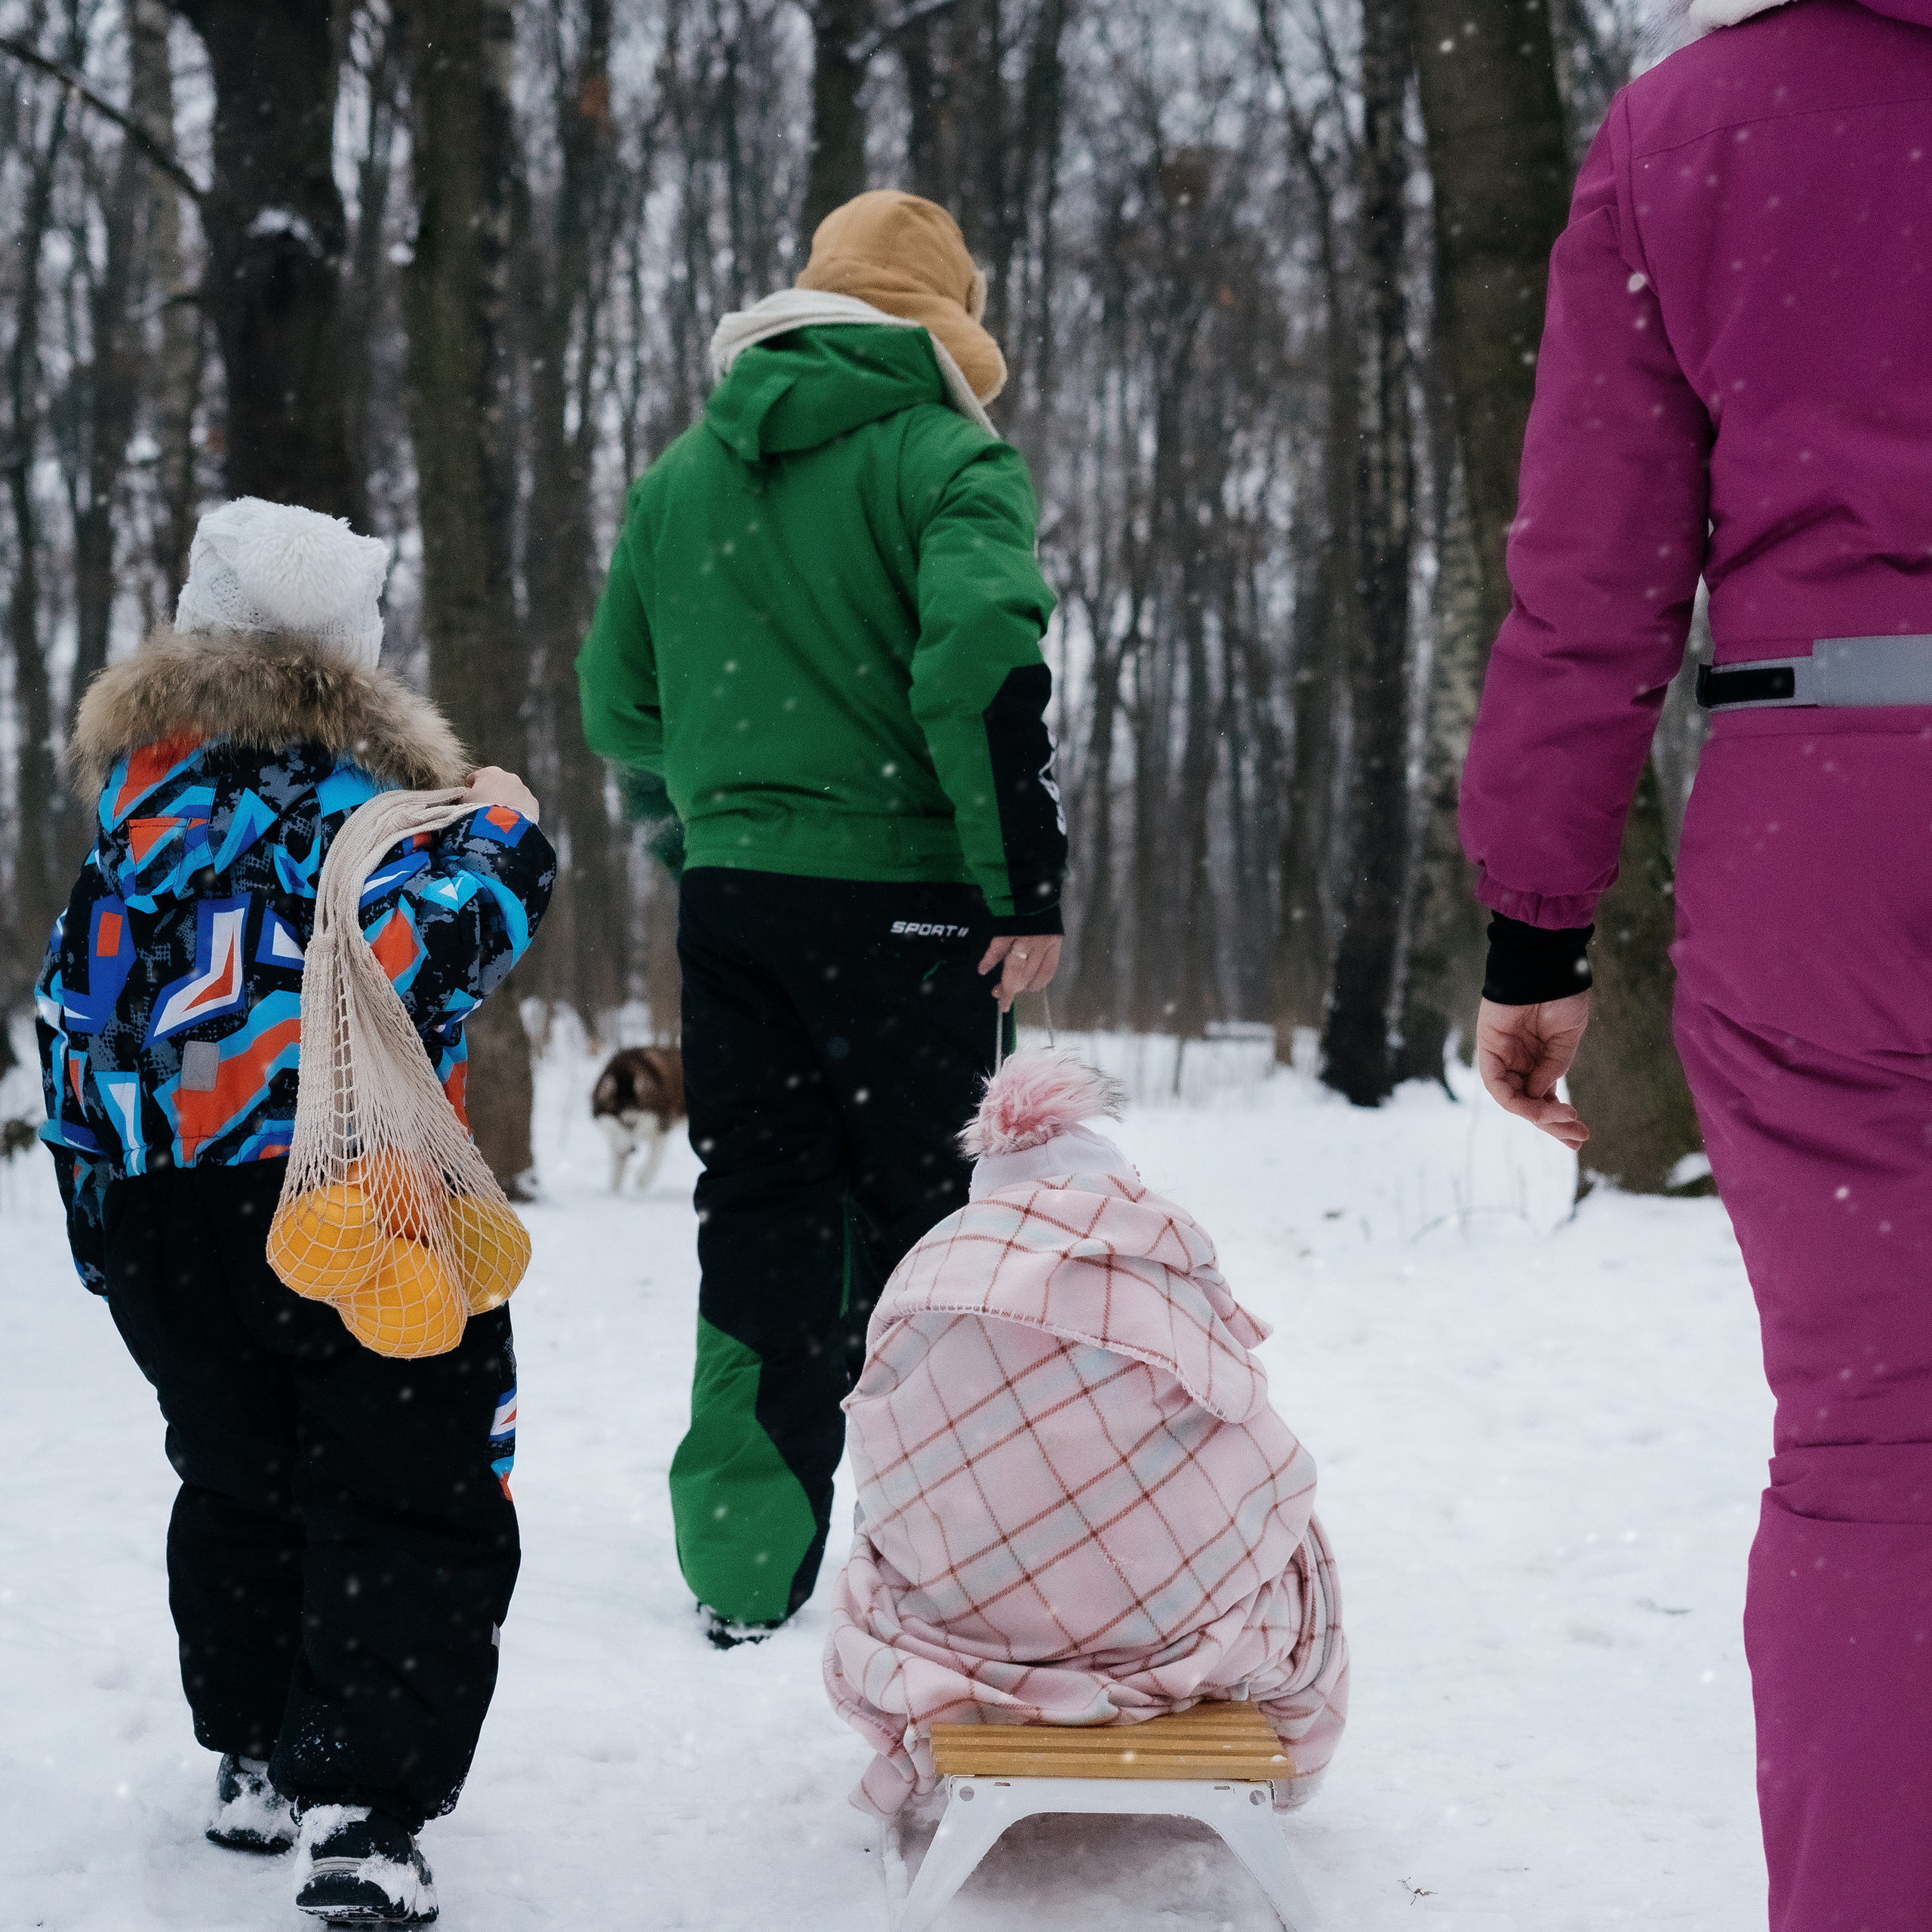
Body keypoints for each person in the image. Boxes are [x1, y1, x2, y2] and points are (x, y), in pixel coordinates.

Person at [1458, 3, 1932, 1924]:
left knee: (1871, 1447)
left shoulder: (1693, 129)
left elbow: (1589, 571)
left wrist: (1535, 918)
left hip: (1824, 822)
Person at [35, 498, 555, 1927]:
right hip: (350, 1197)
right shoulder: (378, 816)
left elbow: (67, 1020)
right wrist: (510, 831)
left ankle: (256, 1749)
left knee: (238, 1476)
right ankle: (361, 1808)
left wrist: (102, 1218)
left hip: (162, 1214)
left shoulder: (133, 822)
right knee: (410, 1487)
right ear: (357, 654)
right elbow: (439, 951)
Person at [577, 189, 1068, 1647]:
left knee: (764, 1209)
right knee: (941, 1225)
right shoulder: (946, 456)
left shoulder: (680, 478)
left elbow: (621, 703)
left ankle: (743, 1563)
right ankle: (955, 1554)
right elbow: (980, 663)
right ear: (946, 333)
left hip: (736, 909)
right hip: (917, 906)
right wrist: (1019, 885)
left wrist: (711, 827)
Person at [825, 1053, 1348, 1817]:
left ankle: (990, 1656)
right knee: (1296, 1537)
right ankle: (1292, 1760)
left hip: (961, 1626)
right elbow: (1253, 1444)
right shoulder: (1145, 1259)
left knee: (882, 1526)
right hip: (1169, 1633)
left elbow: (882, 1452)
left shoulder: (926, 1272)